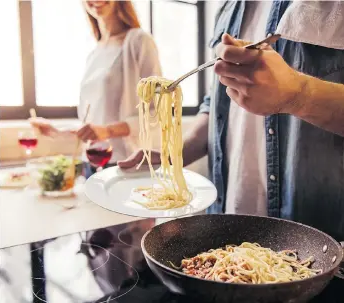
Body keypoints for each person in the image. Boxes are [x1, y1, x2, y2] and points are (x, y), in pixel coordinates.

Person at [118, 1, 344, 241]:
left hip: (318, 241)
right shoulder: (229, 7)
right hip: (227, 230)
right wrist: (174, 154)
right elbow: (215, 103)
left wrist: (299, 95)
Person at [30, 0, 161, 176]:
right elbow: (94, 119)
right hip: (91, 163)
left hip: (127, 163)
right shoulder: (95, 52)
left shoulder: (139, 41)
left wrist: (107, 131)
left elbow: (157, 112)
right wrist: (57, 130)